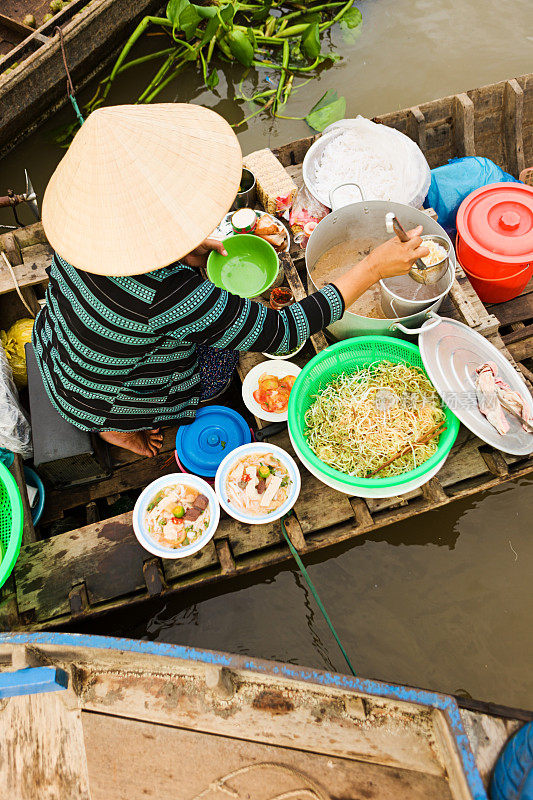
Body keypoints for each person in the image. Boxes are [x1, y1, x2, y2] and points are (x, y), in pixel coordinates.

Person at [33, 103, 429, 458]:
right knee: (222, 360)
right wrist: (374, 267)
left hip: (61, 357)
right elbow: (285, 331)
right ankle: (115, 429)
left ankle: (108, 419)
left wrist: (183, 249)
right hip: (103, 399)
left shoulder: (82, 237)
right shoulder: (165, 294)